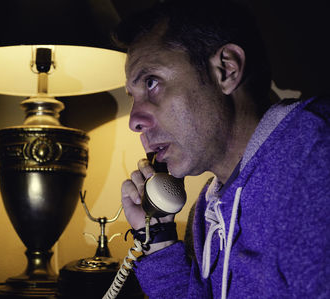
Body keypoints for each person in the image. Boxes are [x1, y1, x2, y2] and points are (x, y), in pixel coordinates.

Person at [116, 0, 330, 298]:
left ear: (227, 70)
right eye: (132, 97)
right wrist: (159, 240)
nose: (134, 121)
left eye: (151, 82)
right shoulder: (207, 208)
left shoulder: (315, 160)